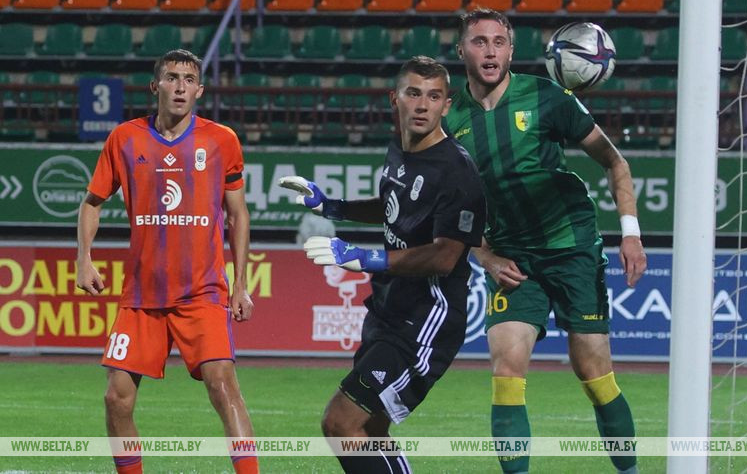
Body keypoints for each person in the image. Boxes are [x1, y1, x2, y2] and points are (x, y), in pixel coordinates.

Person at [444, 9, 648, 474]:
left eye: (499, 42)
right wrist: (486, 256)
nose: (490, 51)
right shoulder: (449, 120)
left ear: (511, 51)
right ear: (462, 50)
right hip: (512, 258)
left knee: (594, 375)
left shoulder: (546, 97)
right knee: (506, 371)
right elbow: (451, 211)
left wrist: (631, 234)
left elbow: (614, 162)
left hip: (572, 247)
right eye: (479, 42)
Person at [279, 56, 486, 473]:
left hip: (425, 321)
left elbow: (445, 256)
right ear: (395, 99)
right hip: (388, 310)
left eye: (434, 96)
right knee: (370, 431)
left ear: (447, 105)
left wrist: (363, 257)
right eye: (414, 94)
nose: (423, 105)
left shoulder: (457, 171)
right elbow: (394, 206)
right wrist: (333, 207)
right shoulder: (399, 151)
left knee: (341, 422)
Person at [76, 49, 259, 474]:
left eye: (189, 80)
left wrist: (240, 285)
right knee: (116, 398)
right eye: (172, 78)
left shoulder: (221, 140)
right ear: (154, 86)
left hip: (202, 293)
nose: (180, 87)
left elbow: (237, 215)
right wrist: (84, 258)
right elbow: (91, 203)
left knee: (223, 387)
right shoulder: (125, 139)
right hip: (142, 296)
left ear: (200, 90)